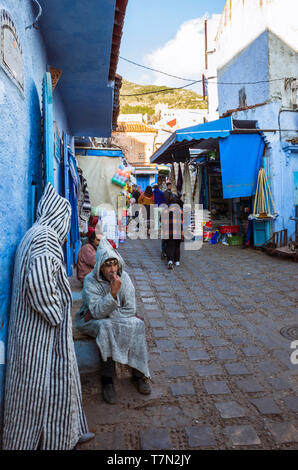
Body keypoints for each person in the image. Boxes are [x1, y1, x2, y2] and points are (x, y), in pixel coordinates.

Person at [3, 183, 93, 450]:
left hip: (39, 333)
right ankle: (40, 442)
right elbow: (40, 284)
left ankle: (69, 433)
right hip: (39, 335)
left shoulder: (37, 234)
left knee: (60, 385)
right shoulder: (44, 238)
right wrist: (57, 314)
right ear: (58, 217)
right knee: (37, 392)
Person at [75, 238, 151, 405]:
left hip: (113, 317)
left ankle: (138, 374)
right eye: (107, 265)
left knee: (137, 325)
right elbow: (94, 312)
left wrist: (108, 311)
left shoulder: (125, 278)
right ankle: (107, 380)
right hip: (90, 321)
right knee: (106, 327)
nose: (112, 269)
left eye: (114, 264)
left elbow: (131, 309)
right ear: (100, 266)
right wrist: (113, 294)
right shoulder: (90, 281)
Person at [164, 193, 184, 270]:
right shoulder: (181, 210)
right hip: (178, 232)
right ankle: (177, 261)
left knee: (170, 246)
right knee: (177, 246)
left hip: (169, 232)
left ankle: (170, 261)